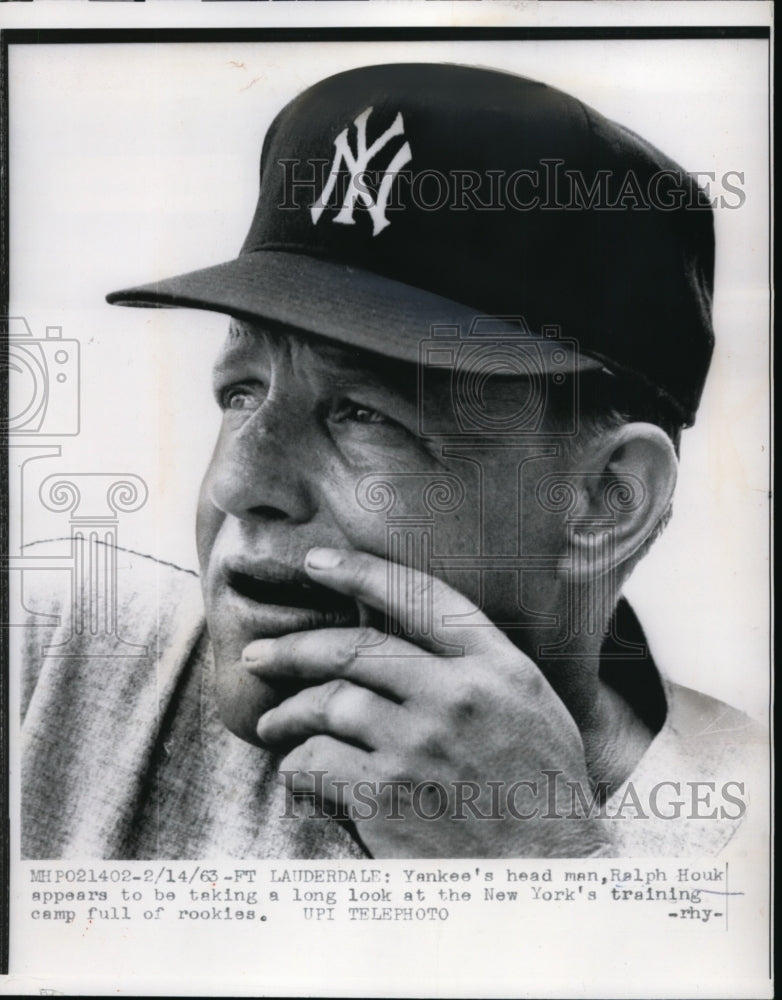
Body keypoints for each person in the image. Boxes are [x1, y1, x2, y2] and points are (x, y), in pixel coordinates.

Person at [21, 62, 763, 859]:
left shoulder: (751, 851)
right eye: (242, 391)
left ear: (606, 501)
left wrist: (543, 867)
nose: (238, 484)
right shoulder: (60, 654)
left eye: (363, 412)